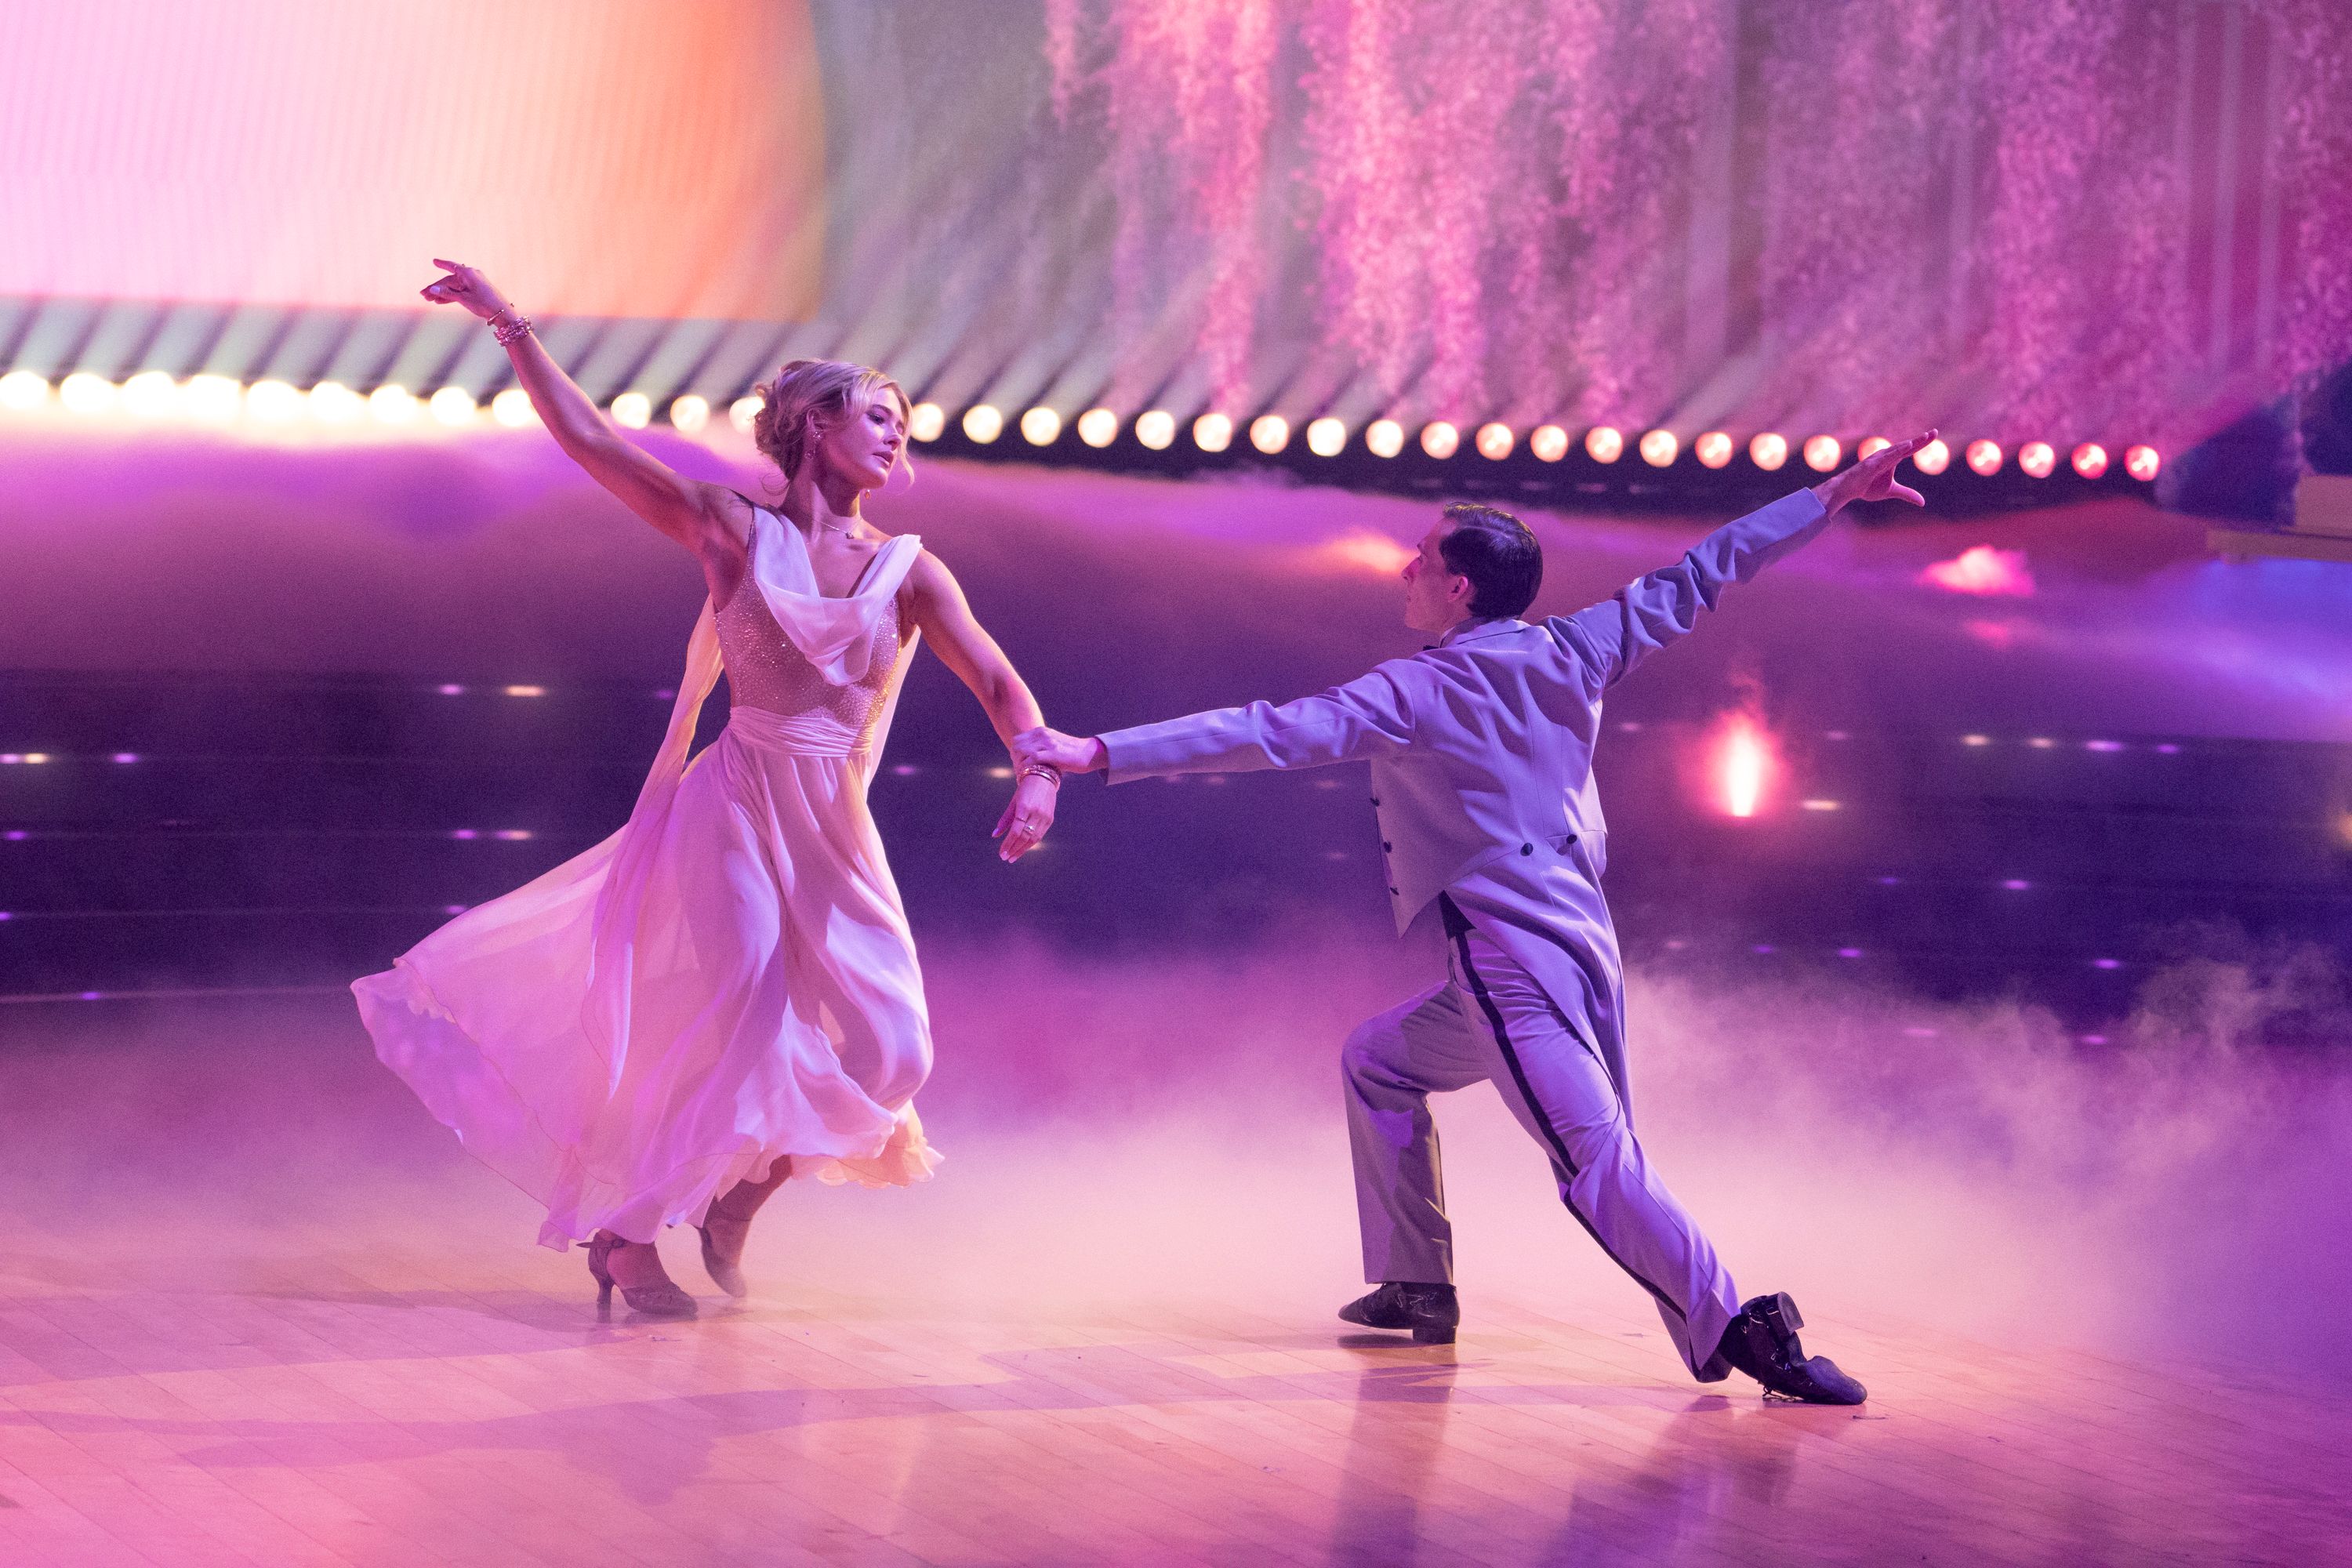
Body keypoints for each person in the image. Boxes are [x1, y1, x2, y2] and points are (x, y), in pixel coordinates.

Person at [1013, 433, 1939, 1403]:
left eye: (1425, 556)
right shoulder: (1576, 647)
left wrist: (1097, 749)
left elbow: (1265, 731)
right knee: (1379, 1059)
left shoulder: (1417, 690)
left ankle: (1743, 1328)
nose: (1407, 566)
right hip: (1572, 949)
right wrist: (1826, 496)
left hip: (1514, 971)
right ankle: (1418, 1281)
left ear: (1459, 590)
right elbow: (1705, 571)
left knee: (1595, 1161)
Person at [354, 260, 1063, 1319]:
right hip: (734, 798)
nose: (895, 434)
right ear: (815, 427)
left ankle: (736, 1198)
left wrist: (1037, 772)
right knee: (737, 1020)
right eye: (875, 415)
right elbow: (596, 446)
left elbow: (1001, 681)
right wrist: (509, 325)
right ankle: (629, 1239)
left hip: (834, 820)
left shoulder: (910, 569)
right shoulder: (732, 530)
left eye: (900, 421)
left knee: (894, 1051)